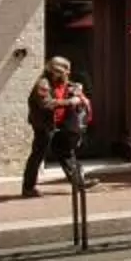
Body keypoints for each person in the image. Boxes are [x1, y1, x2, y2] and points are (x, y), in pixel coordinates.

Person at [19, 57, 91, 197]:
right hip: (45, 125)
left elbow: (70, 87)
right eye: (65, 71)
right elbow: (46, 103)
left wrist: (78, 91)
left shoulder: (63, 82)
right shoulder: (43, 84)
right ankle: (28, 188)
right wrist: (70, 102)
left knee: (66, 152)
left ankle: (78, 183)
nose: (68, 73)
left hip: (61, 123)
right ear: (55, 72)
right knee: (38, 155)